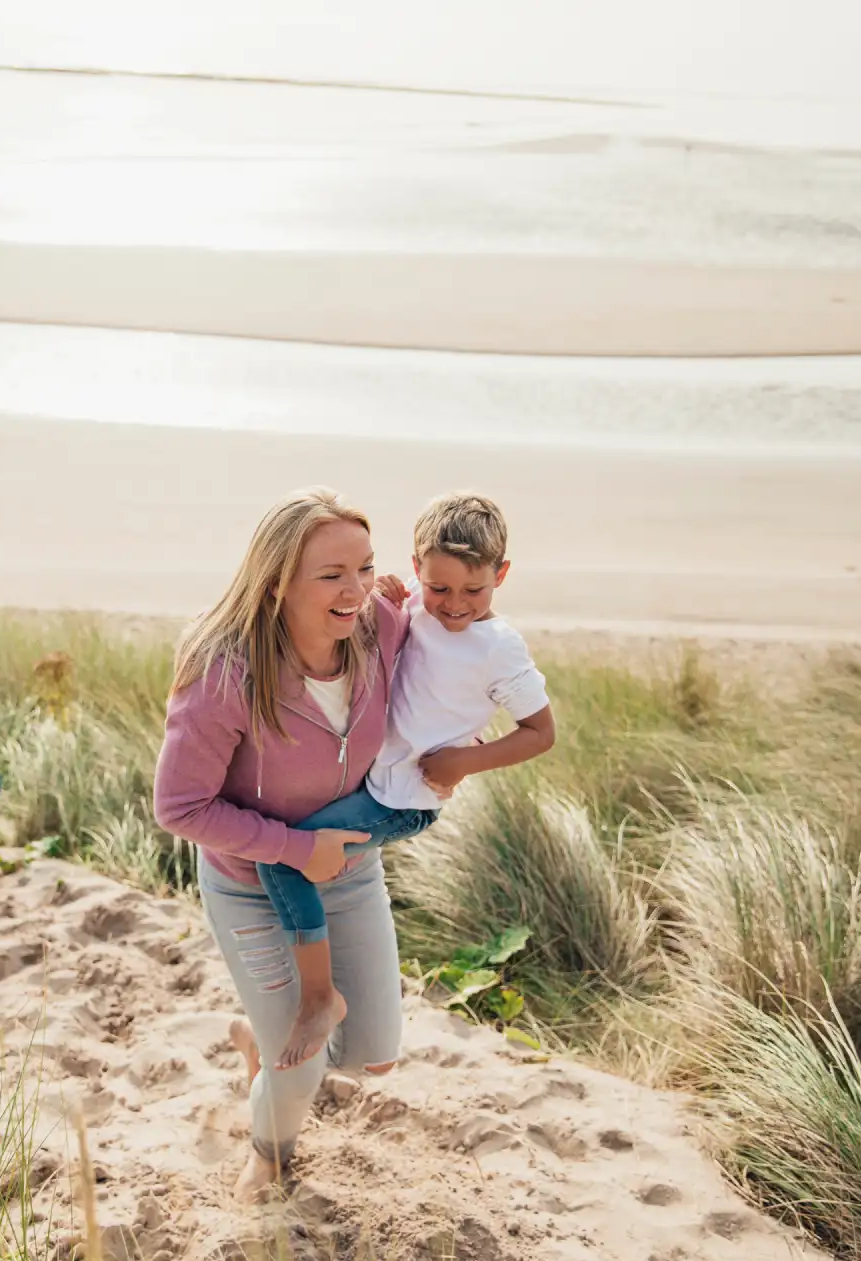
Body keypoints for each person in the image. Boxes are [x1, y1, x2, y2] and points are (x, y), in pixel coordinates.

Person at [152, 487, 408, 1201]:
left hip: (351, 875)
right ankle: (267, 1153)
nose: (356, 589)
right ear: (276, 584)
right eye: (331, 575)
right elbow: (179, 806)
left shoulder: (381, 626)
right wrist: (296, 850)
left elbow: (455, 629)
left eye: (365, 567)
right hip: (251, 883)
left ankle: (254, 1044)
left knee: (376, 1057)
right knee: (301, 1069)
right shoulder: (225, 672)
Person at [258, 491, 557, 1071]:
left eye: (475, 590)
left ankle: (321, 997)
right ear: (418, 566)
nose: (454, 604)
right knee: (301, 859)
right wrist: (389, 590)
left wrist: (463, 762)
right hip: (371, 779)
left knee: (282, 857)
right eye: (440, 587)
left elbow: (540, 732)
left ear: (502, 575)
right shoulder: (417, 601)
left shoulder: (499, 648)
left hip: (403, 797)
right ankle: (308, 993)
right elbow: (377, 612)